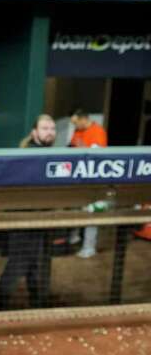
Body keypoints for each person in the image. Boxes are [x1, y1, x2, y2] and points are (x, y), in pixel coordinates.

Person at [0, 114, 55, 310]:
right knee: (19, 265)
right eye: (45, 128)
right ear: (34, 132)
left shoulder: (52, 153)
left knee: (35, 267)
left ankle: (37, 306)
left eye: (52, 129)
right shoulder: (27, 153)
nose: (50, 132)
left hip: (41, 219)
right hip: (23, 220)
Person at [68, 109, 109, 258]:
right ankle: (74, 236)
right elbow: (71, 148)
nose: (74, 126)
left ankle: (89, 247)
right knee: (76, 207)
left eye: (76, 122)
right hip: (79, 177)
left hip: (94, 180)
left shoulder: (97, 132)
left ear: (84, 118)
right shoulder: (78, 131)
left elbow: (96, 157)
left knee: (91, 211)